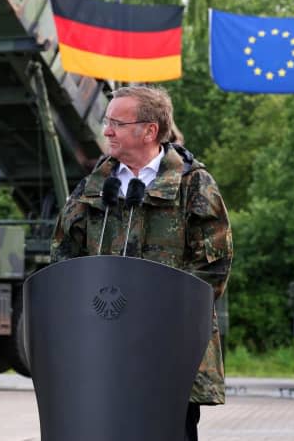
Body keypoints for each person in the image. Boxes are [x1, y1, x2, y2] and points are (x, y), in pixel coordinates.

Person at [50, 85, 232, 441]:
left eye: (117, 122)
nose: (106, 131)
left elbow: (213, 266)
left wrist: (157, 319)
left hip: (168, 354)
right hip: (100, 349)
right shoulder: (93, 186)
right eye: (107, 121)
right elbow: (63, 257)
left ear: (149, 130)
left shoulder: (193, 185)